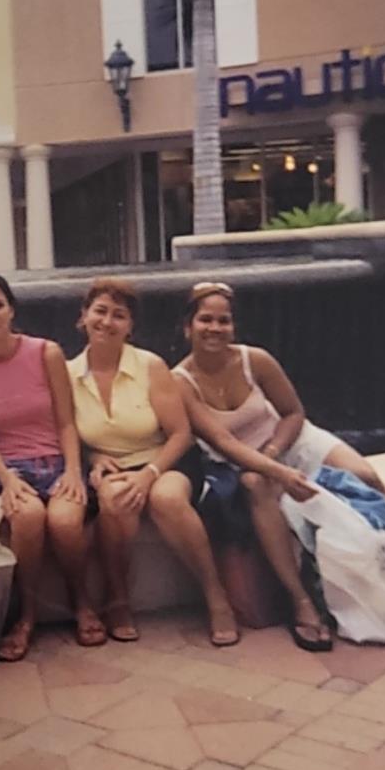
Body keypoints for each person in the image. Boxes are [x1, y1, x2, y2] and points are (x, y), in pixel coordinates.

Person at [173, 281, 385, 650]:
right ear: (188, 326)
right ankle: (302, 604)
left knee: (367, 476)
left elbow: (293, 413)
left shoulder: (255, 360)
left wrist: (277, 453)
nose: (215, 329)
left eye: (224, 321)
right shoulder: (179, 381)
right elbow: (223, 443)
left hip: (290, 442)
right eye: (205, 320)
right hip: (241, 463)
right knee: (255, 487)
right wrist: (276, 472)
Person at [67, 277, 240, 646]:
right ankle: (118, 600)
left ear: (130, 326)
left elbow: (181, 433)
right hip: (112, 466)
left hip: (166, 459)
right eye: (100, 311)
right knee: (114, 500)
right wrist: (93, 458)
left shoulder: (150, 366)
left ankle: (215, 596)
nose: (107, 322)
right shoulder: (67, 374)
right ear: (84, 316)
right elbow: (66, 433)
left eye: (119, 315)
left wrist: (150, 474)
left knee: (167, 498)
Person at [0, 272, 99, 660]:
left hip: (56, 462)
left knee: (66, 521)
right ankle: (27, 616)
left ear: (11, 309)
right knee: (28, 517)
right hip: (9, 470)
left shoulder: (44, 352)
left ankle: (82, 602)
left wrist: (71, 470)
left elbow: (67, 421)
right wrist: (6, 480)